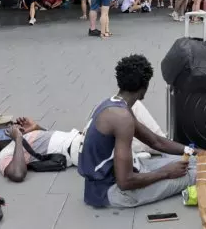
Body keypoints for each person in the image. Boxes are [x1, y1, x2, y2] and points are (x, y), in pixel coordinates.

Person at [78, 54, 199, 208]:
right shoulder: (122, 118)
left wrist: (196, 151)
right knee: (196, 173)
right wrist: (166, 172)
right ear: (144, 87)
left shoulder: (115, 104)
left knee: (197, 161)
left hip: (112, 179)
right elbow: (125, 182)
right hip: (112, 191)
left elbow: (156, 141)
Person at [0, 109, 83, 183]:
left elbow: (50, 139)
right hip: (76, 148)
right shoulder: (4, 154)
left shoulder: (21, 136)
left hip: (78, 137)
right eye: (6, 124)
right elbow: (18, 174)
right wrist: (18, 139)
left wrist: (36, 127)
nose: (11, 123)